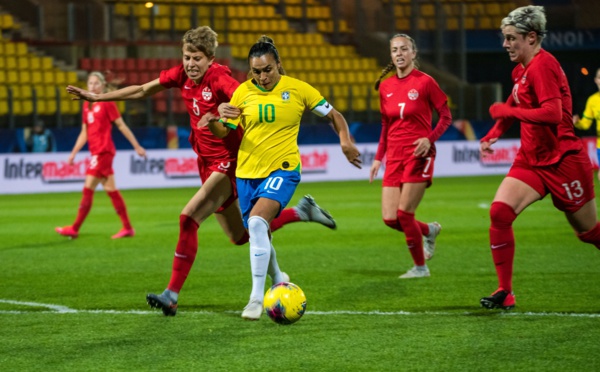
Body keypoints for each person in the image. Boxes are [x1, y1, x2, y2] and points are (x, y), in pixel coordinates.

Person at [66, 27, 337, 316]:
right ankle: (299, 215)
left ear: (210, 59)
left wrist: (228, 110)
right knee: (241, 235)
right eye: (186, 57)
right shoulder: (180, 75)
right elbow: (143, 90)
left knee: (188, 218)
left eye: (197, 58)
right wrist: (97, 99)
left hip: (231, 163)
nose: (190, 63)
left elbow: (249, 97)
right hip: (207, 163)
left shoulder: (221, 79)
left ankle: (171, 294)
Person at [209, 35, 362, 320]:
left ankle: (256, 299)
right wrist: (215, 119)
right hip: (246, 174)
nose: (263, 76)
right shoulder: (242, 93)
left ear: (278, 64)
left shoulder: (299, 89)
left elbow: (335, 115)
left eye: (268, 69)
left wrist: (345, 141)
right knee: (259, 233)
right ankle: (279, 278)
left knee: (256, 223)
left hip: (283, 168)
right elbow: (224, 132)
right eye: (256, 71)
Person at [479, 5, 600, 310]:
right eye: (504, 38)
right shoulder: (521, 68)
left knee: (589, 233)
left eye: (511, 38)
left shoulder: (543, 66)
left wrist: (508, 113)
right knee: (499, 214)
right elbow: (513, 100)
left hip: (563, 161)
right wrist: (496, 130)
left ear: (531, 37)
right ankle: (505, 291)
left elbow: (552, 114)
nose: (505, 44)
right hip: (531, 160)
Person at [369, 34, 451, 279]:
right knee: (390, 218)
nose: (399, 54)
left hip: (418, 154)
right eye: (394, 50)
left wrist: (429, 139)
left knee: (405, 214)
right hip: (393, 156)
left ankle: (420, 268)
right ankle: (429, 230)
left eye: (404, 49)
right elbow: (386, 125)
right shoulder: (385, 87)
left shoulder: (425, 83)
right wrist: (377, 158)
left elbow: (446, 117)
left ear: (413, 53)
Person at [56, 71, 147, 239]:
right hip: (96, 152)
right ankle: (127, 228)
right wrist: (73, 153)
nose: (93, 86)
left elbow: (121, 125)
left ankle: (75, 228)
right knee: (111, 190)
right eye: (90, 83)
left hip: (103, 151)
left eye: (96, 83)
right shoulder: (86, 105)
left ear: (103, 85)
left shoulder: (107, 103)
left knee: (88, 189)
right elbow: (85, 132)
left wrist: (137, 146)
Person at [573, 67, 600, 181]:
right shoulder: (592, 100)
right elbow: (586, 124)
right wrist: (577, 123)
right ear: (596, 80)